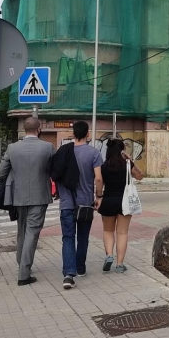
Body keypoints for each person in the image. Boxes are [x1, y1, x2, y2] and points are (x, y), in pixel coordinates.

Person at [0, 117, 53, 286]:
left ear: (24, 128)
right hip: (39, 195)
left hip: (17, 196)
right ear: (39, 128)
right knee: (32, 232)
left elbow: (1, 171)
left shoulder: (12, 148)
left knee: (22, 230)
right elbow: (54, 170)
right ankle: (24, 273)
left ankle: (21, 263)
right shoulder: (47, 147)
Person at [53, 121, 103, 290]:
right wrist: (99, 196)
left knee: (68, 237)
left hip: (66, 203)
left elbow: (55, 174)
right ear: (87, 134)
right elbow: (98, 178)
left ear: (73, 133)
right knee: (82, 236)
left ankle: (68, 274)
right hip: (85, 203)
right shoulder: (94, 153)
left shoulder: (63, 152)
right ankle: (80, 267)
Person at [97, 139, 143, 273]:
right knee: (122, 232)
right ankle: (119, 264)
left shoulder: (104, 166)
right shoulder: (127, 165)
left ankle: (109, 255)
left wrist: (98, 196)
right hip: (125, 202)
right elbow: (140, 176)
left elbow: (99, 182)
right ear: (122, 150)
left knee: (108, 231)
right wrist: (131, 159)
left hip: (108, 201)